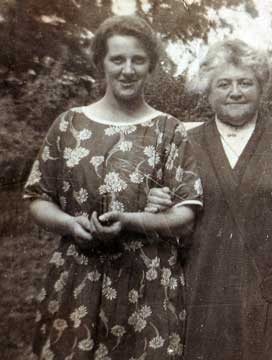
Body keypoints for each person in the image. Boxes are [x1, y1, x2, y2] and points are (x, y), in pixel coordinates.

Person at [146, 39, 272, 360]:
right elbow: (171, 221)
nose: (235, 92)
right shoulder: (185, 144)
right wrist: (159, 203)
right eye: (223, 84)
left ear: (262, 87)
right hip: (207, 291)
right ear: (208, 89)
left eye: (245, 83)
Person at [23, 15, 202, 359]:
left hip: (148, 283)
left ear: (151, 66)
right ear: (100, 63)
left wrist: (133, 221)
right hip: (79, 279)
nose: (128, 69)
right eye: (117, 59)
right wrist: (69, 224)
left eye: (138, 60)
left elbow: (186, 216)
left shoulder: (169, 130)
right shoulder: (68, 125)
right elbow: (36, 198)